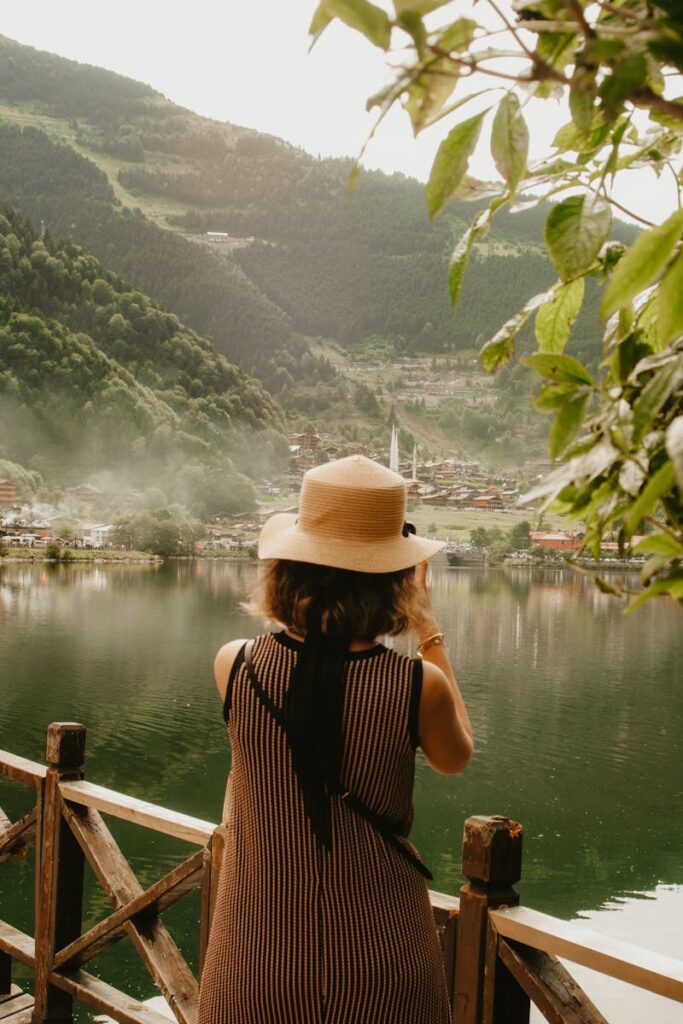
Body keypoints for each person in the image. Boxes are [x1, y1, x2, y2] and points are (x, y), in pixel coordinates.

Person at [198, 455, 473, 1024]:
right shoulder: (418, 685)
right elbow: (456, 757)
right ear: (394, 580)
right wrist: (428, 626)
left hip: (257, 951)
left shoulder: (236, 665)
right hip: (383, 950)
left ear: (286, 569)